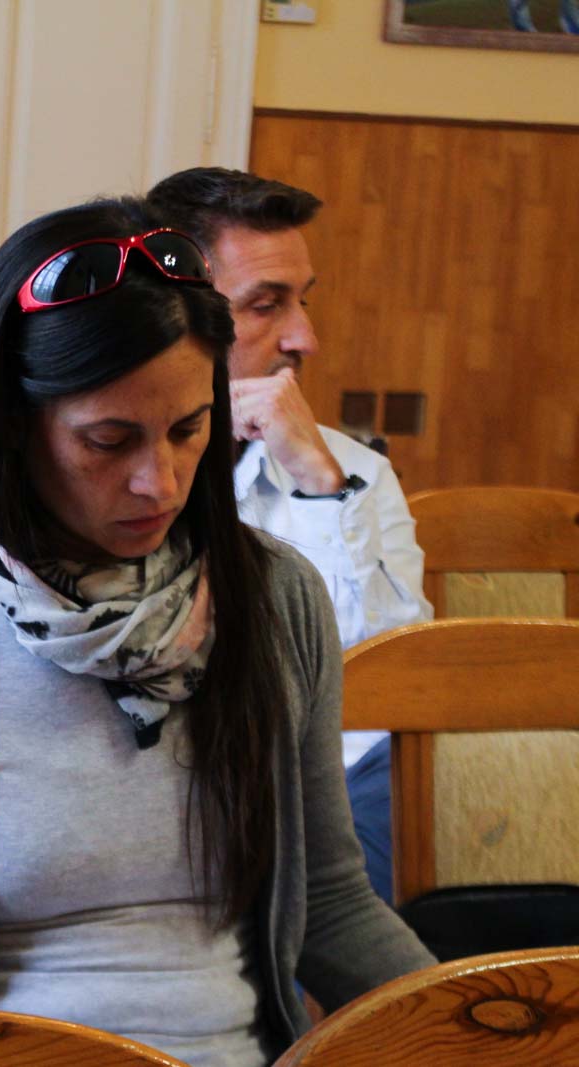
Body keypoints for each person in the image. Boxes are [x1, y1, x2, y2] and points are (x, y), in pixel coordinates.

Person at [0, 200, 435, 1066]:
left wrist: (480, 1023)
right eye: (109, 440)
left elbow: (333, 905)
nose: (158, 482)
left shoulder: (276, 600)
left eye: (189, 430)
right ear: (14, 427)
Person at [147, 167, 433, 904]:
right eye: (266, 304)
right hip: (174, 777)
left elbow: (390, 683)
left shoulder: (354, 471)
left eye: (304, 301)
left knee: (414, 800)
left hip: (340, 779)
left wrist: (317, 485)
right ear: (171, 312)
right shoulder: (117, 471)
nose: (306, 337)